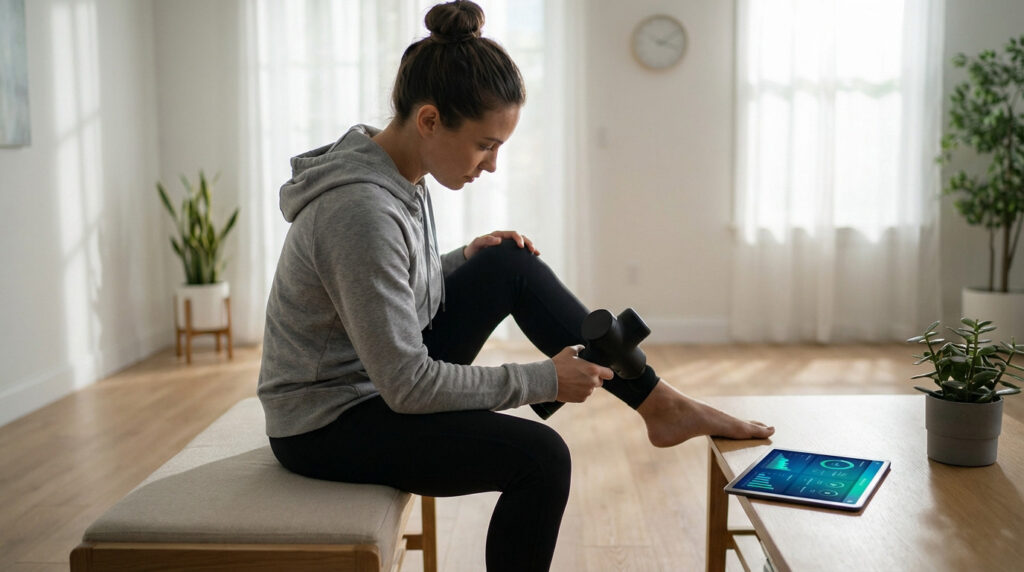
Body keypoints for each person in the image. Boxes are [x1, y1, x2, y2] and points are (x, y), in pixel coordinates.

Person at [257, 1, 773, 570]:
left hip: (372, 380)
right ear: (429, 120)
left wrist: (458, 259)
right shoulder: (359, 209)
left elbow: (377, 290)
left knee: (508, 261)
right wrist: (543, 379)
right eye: (486, 145)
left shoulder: (397, 171)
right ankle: (659, 404)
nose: (493, 166)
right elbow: (406, 384)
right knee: (541, 458)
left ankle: (658, 403)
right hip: (330, 420)